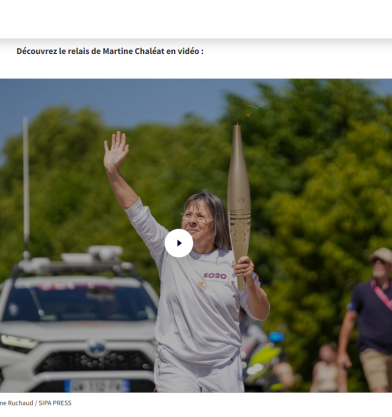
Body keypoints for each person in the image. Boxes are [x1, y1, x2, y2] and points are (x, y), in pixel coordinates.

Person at [103, 131, 270, 393]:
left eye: (200, 216)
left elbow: (261, 313)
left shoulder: (233, 262)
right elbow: (136, 210)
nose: (191, 220)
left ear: (216, 225)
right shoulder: (172, 249)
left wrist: (249, 281)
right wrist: (113, 171)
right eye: (187, 214)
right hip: (176, 364)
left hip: (222, 366)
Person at [337, 247, 392, 392]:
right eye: (374, 261)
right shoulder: (361, 290)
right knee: (380, 392)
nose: (377, 264)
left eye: (382, 261)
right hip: (371, 349)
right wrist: (342, 351)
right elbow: (349, 320)